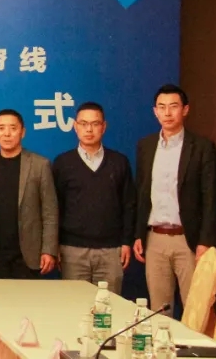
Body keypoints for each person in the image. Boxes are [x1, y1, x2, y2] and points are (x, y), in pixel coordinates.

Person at [133, 84, 216, 313]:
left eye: (173, 106)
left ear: (185, 109)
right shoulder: (146, 146)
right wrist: (139, 233)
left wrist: (205, 241)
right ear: (155, 112)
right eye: (161, 107)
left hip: (188, 239)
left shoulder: (201, 147)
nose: (167, 113)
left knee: (196, 309)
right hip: (155, 238)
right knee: (159, 310)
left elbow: (210, 197)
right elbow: (141, 192)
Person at [52, 102, 134, 294]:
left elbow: (129, 204)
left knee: (109, 306)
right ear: (75, 126)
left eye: (95, 124)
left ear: (103, 127)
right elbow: (55, 208)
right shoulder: (63, 163)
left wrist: (126, 242)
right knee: (75, 306)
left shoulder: (119, 162)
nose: (89, 129)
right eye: (83, 123)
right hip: (72, 250)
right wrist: (55, 246)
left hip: (111, 251)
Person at [0, 109, 58, 279]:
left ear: (23, 132)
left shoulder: (40, 165)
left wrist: (49, 250)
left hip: (29, 255)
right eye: (1, 128)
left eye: (13, 128)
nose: (7, 134)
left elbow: (50, 212)